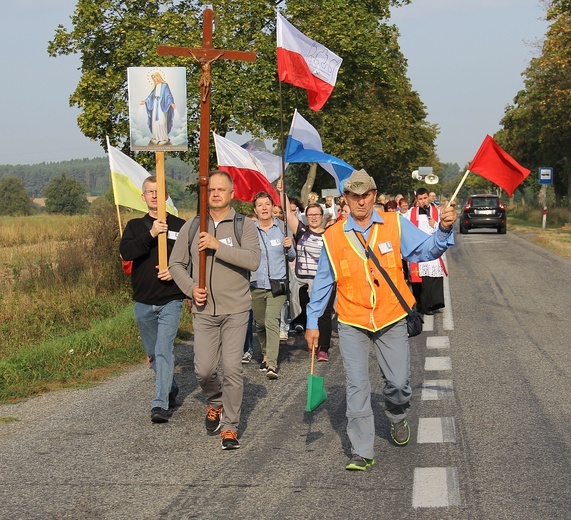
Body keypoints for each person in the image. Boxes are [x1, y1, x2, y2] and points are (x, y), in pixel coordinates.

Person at [305, 169, 456, 471]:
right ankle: (362, 450)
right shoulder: (333, 236)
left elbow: (426, 250)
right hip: (351, 320)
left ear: (374, 196)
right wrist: (312, 322)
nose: (360, 201)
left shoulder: (393, 224)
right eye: (354, 196)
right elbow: (323, 281)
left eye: (365, 195)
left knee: (399, 384)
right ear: (345, 199)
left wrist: (442, 230)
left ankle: (397, 414)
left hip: (391, 317)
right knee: (357, 387)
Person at [169, 170, 261, 450]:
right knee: (204, 371)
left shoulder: (244, 225)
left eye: (222, 190)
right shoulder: (193, 225)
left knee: (232, 369)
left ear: (232, 195)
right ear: (206, 195)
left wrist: (216, 245)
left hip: (236, 310)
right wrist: (190, 289)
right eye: (212, 190)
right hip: (204, 310)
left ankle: (230, 428)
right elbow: (176, 265)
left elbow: (253, 261)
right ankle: (215, 400)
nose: (216, 194)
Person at [119, 175, 186, 424]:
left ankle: (160, 404)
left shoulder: (180, 225)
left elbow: (192, 259)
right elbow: (127, 252)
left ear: (167, 195)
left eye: (159, 191)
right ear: (143, 196)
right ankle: (170, 386)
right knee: (152, 353)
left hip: (171, 298)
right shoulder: (135, 226)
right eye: (150, 192)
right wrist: (151, 233)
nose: (155, 196)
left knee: (163, 348)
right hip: (143, 301)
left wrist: (176, 271)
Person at [277, 180, 335, 362]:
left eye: (317, 214)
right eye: (310, 214)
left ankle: (323, 348)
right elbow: (287, 212)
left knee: (324, 315)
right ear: (306, 216)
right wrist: (282, 192)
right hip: (302, 281)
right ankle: (311, 343)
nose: (314, 217)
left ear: (323, 216)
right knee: (308, 313)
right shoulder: (301, 231)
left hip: (323, 282)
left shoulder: (330, 234)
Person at [250, 192, 296, 378]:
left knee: (271, 320)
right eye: (260, 205)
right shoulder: (250, 230)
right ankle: (265, 352)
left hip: (278, 283)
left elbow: (292, 257)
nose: (264, 208)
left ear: (272, 207)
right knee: (260, 323)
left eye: (267, 204)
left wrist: (289, 246)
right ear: (255, 210)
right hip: (256, 282)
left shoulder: (283, 228)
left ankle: (272, 364)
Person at [407, 187, 448, 315]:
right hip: (418, 250)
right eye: (420, 199)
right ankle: (422, 305)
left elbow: (444, 229)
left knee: (433, 278)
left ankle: (434, 304)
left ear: (428, 198)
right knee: (420, 280)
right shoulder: (410, 213)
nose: (423, 201)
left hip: (433, 248)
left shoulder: (436, 212)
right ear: (416, 200)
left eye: (425, 198)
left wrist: (435, 225)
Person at [140, 71, 176, 146]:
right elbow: (151, 96)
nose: (154, 79)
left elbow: (168, 95)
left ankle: (164, 137)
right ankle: (156, 137)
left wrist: (171, 103)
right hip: (155, 104)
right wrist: (146, 101)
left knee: (162, 121)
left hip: (162, 104)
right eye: (153, 78)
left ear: (158, 77)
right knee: (155, 121)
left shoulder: (164, 85)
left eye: (155, 77)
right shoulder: (155, 86)